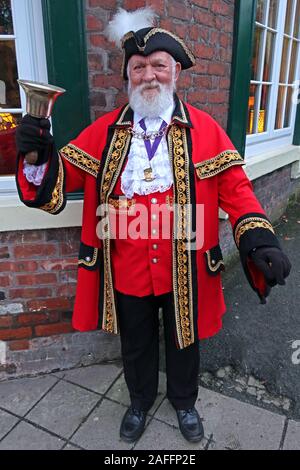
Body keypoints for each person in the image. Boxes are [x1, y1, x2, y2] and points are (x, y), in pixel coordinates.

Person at [15, 8, 291, 444]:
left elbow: (236, 191)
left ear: (175, 72)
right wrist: (36, 155)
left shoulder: (206, 130)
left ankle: (184, 403)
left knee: (185, 340)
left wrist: (258, 238)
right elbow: (54, 188)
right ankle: (139, 401)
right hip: (126, 266)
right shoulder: (103, 133)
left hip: (188, 265)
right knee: (136, 342)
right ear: (127, 76)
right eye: (138, 67)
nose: (149, 75)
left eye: (158, 65)